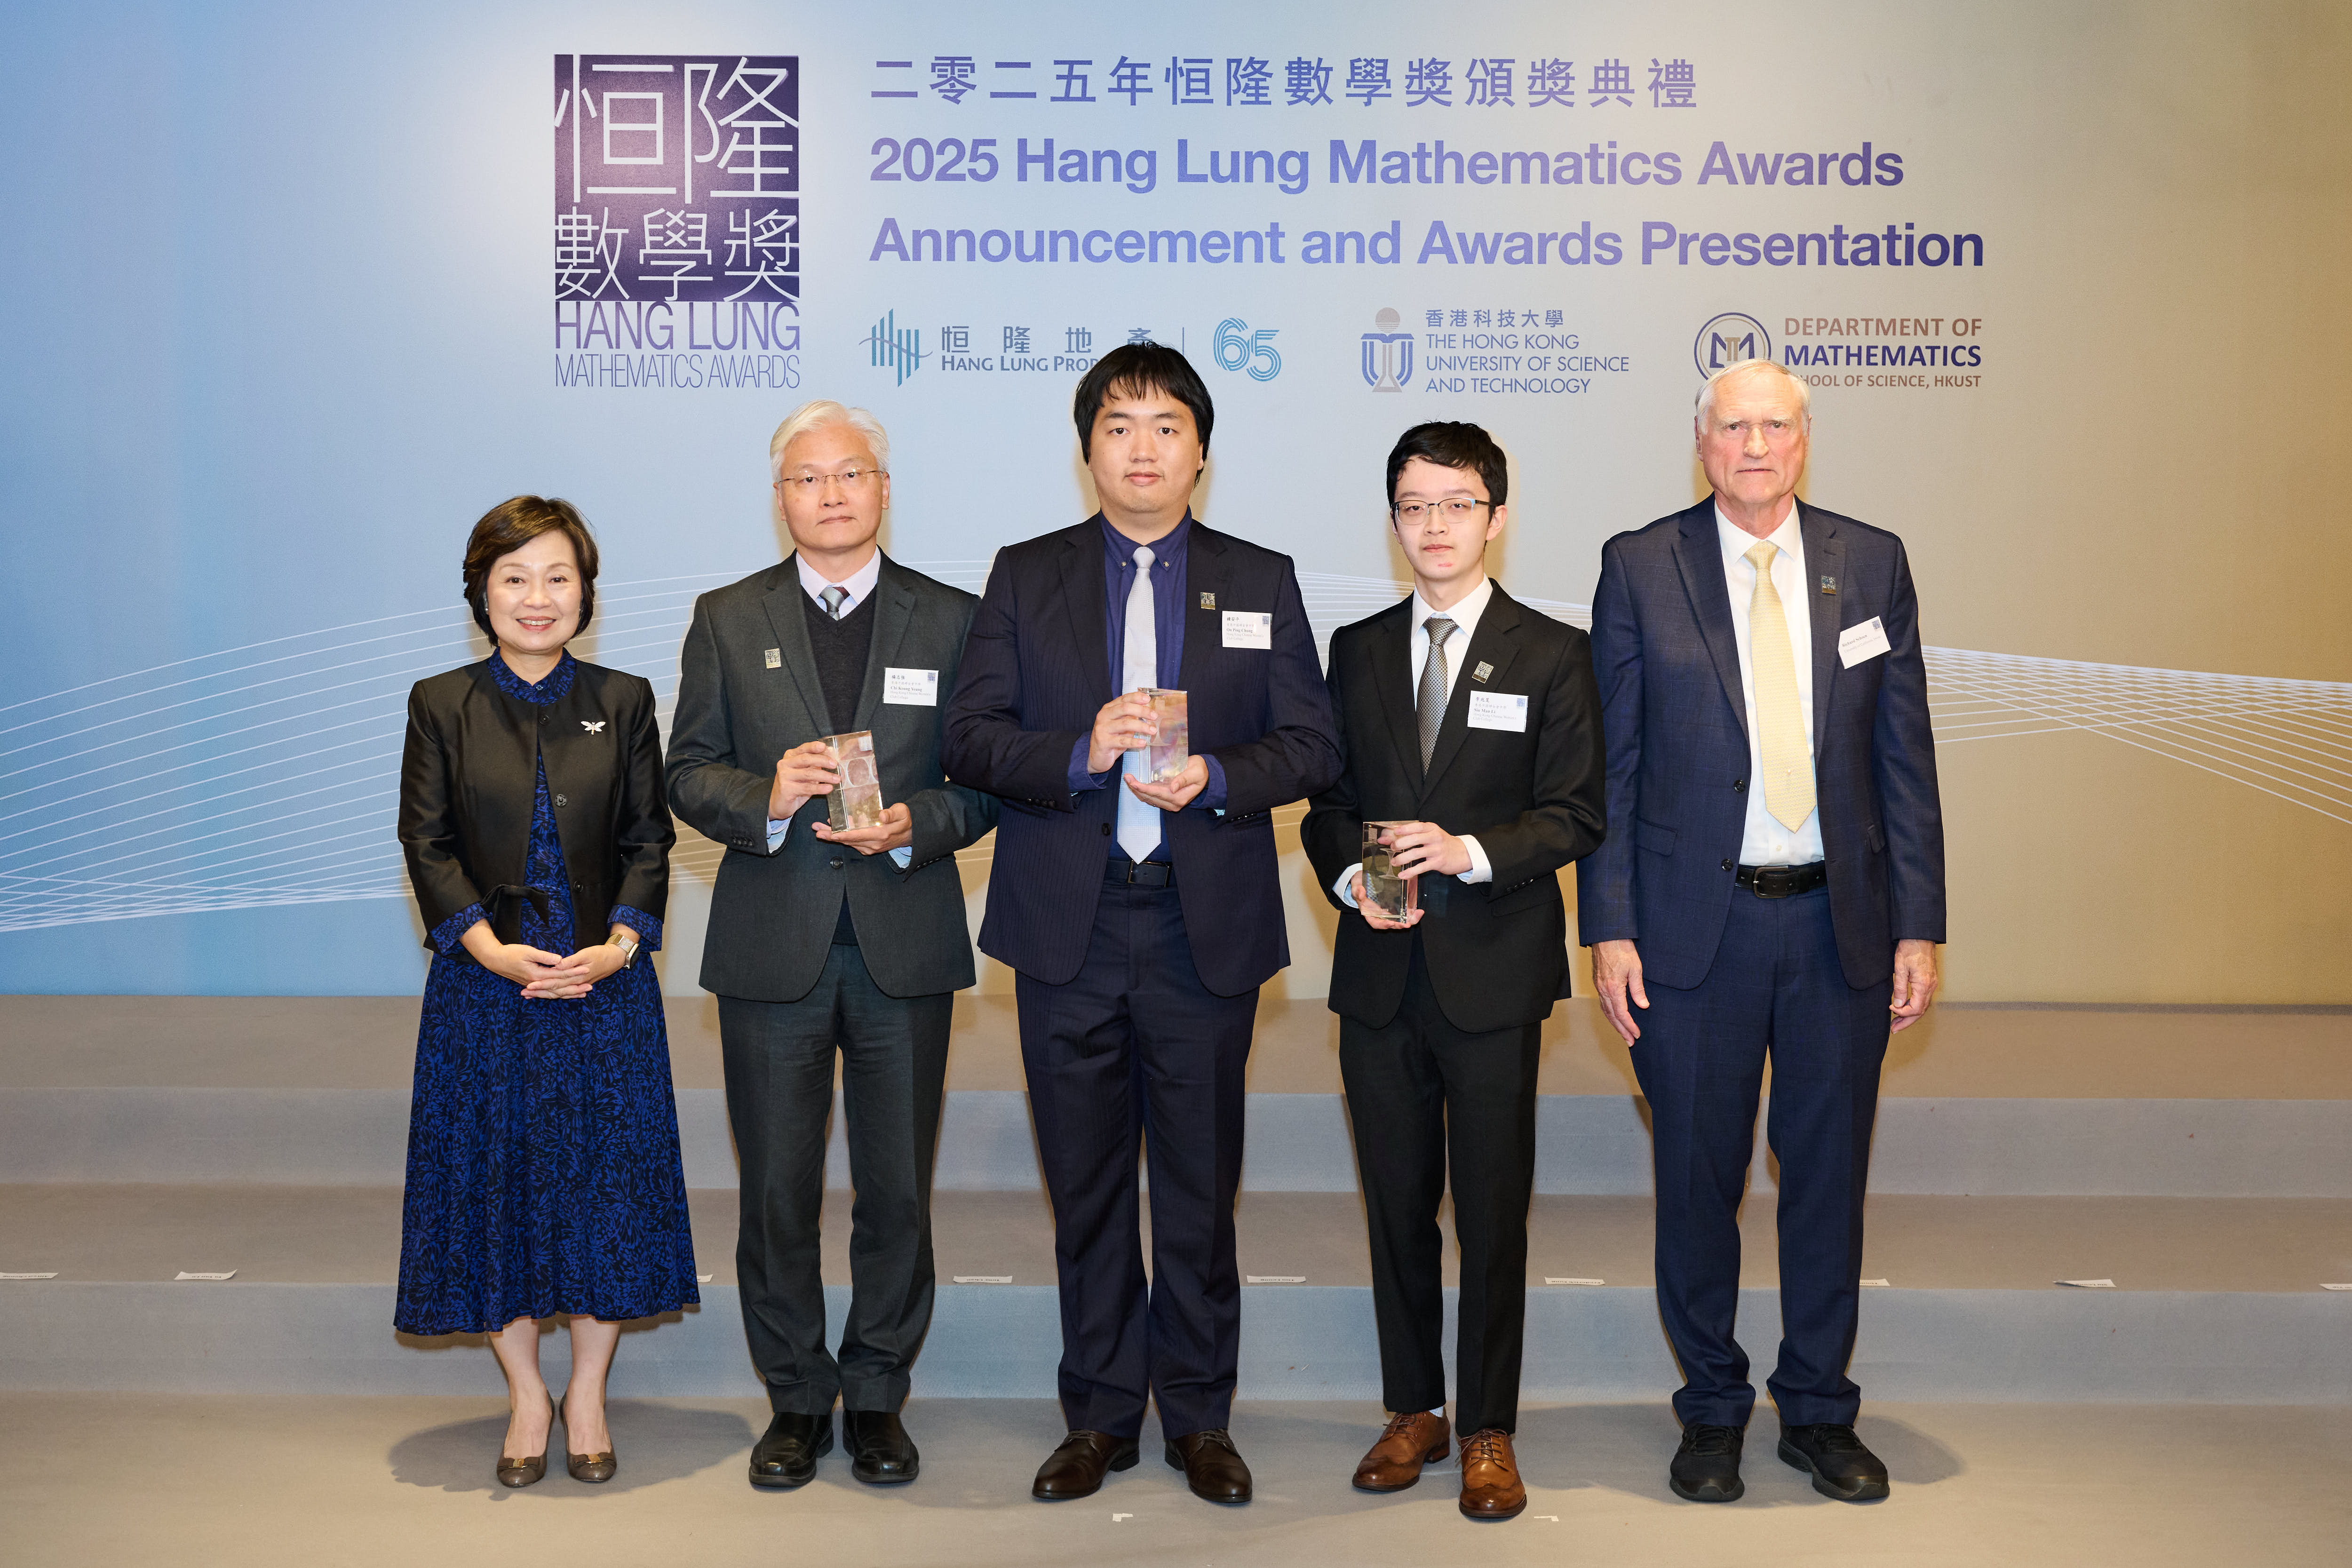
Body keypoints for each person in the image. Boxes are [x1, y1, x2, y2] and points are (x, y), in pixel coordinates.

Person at [942, 343, 1340, 1506]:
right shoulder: (1027, 574)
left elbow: (1313, 745)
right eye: (1119, 426)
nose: (1143, 448)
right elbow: (968, 736)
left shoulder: (1259, 577)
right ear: (1087, 451)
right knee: (1088, 1183)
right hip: (1067, 918)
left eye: (1167, 426)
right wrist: (1081, 749)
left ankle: (1201, 1416)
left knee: (1199, 1185)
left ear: (1201, 451)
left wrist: (1214, 771)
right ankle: (1101, 1413)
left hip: (1198, 919)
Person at [1577, 358, 1946, 1504]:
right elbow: (1613, 764)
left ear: (1803, 439)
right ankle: (1713, 1409)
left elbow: (1903, 755)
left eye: (1773, 426)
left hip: (1841, 923)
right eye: (1732, 426)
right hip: (1694, 930)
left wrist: (1919, 921)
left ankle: (1820, 1410)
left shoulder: (1869, 560)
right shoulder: (1640, 565)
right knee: (1696, 1175)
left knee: (1827, 1175)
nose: (1753, 445)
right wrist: (1610, 923)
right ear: (1702, 442)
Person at [665, 401, 998, 1491]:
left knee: (897, 1188)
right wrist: (766, 796)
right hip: (774, 945)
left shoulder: (951, 619)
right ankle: (797, 1396)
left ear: (884, 488)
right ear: (782, 500)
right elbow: (685, 771)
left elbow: (986, 778)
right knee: (777, 1190)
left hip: (903, 940)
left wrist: (919, 824)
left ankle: (877, 1396)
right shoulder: (726, 617)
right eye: (807, 479)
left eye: (851, 473)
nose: (832, 493)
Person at [1302, 421, 1606, 1520]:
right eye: (1414, 505)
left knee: (1489, 1209)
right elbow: (1327, 808)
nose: (1434, 525)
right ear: (1393, 520)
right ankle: (1411, 1408)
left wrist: (1467, 851)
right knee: (1393, 1206)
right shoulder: (1358, 650)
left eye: (1456, 503)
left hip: (1491, 974)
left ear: (1498, 515)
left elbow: (1576, 813)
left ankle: (1487, 1427)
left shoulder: (1551, 653)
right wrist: (1349, 877)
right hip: (1378, 978)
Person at [395, 495, 697, 1489]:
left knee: (604, 1188)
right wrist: (485, 947)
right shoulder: (441, 702)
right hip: (489, 990)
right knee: (498, 1187)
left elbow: (649, 841)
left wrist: (620, 947)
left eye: (558, 576)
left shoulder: (628, 696)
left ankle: (589, 1389)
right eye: (515, 577)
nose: (537, 597)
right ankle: (528, 1388)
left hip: (602, 987)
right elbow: (427, 843)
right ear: (483, 591)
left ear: (586, 592)